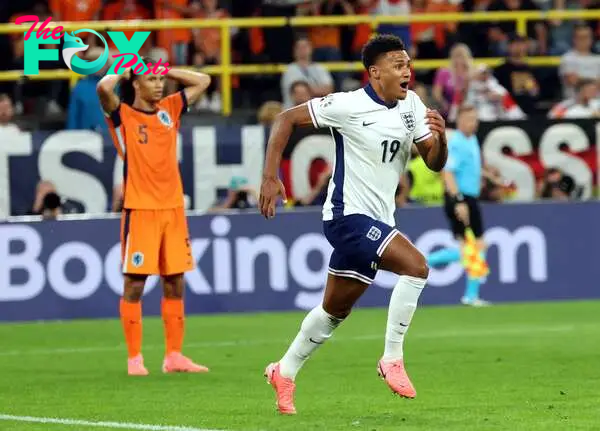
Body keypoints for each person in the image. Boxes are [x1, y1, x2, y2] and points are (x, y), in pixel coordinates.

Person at [259, 34, 448, 415]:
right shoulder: (346, 105)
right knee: (417, 266)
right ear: (375, 72)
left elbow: (434, 162)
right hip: (347, 217)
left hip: (378, 219)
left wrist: (440, 138)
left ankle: (285, 370)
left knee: (334, 311)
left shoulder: (412, 104)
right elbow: (285, 118)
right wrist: (269, 176)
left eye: (408, 64)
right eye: (398, 65)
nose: (407, 71)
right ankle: (392, 358)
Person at [97, 58, 211, 376]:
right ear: (136, 83)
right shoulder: (122, 114)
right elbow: (103, 86)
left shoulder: (170, 108)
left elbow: (202, 80)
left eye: (161, 79)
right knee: (135, 283)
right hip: (141, 208)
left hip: (173, 208)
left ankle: (174, 355)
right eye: (152, 79)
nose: (160, 84)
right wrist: (129, 65)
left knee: (175, 282)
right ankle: (135, 358)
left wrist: (165, 68)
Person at [426, 104, 490, 306]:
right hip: (460, 198)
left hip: (470, 197)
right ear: (460, 121)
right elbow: (448, 172)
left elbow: (471, 167)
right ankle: (423, 262)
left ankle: (471, 296)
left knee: (476, 247)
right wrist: (458, 200)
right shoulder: (456, 143)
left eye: (475, 118)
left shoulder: (472, 140)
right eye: (470, 119)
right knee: (473, 248)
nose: (474, 122)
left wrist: (493, 178)